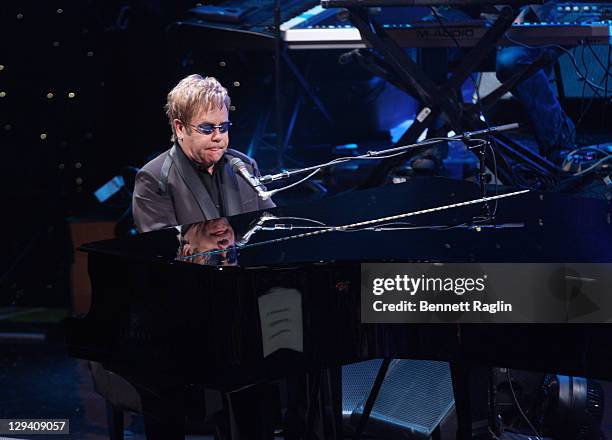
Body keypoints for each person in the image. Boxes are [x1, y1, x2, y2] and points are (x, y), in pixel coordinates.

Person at [133, 74, 275, 233]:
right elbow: (162, 249)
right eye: (207, 128)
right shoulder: (153, 179)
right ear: (180, 128)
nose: (217, 137)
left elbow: (270, 227)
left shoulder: (246, 167)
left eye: (223, 127)